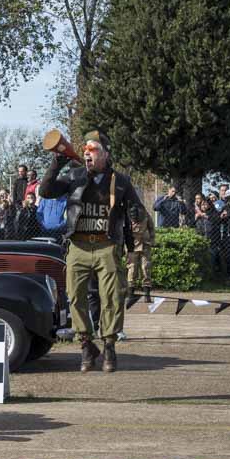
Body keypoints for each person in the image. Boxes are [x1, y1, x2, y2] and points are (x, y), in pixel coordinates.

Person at [39, 130, 142, 373]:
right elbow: (45, 191)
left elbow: (135, 209)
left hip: (107, 246)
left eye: (93, 150)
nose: (87, 153)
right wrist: (57, 162)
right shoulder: (74, 176)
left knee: (112, 299)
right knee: (75, 297)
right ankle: (86, 345)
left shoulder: (121, 181)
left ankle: (108, 346)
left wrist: (136, 217)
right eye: (85, 150)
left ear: (106, 154)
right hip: (78, 245)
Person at [126, 204, 155, 304]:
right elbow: (123, 231)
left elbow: (151, 227)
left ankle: (147, 294)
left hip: (145, 244)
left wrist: (152, 239)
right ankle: (131, 294)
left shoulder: (146, 215)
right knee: (132, 269)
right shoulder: (126, 216)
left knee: (146, 268)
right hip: (132, 245)